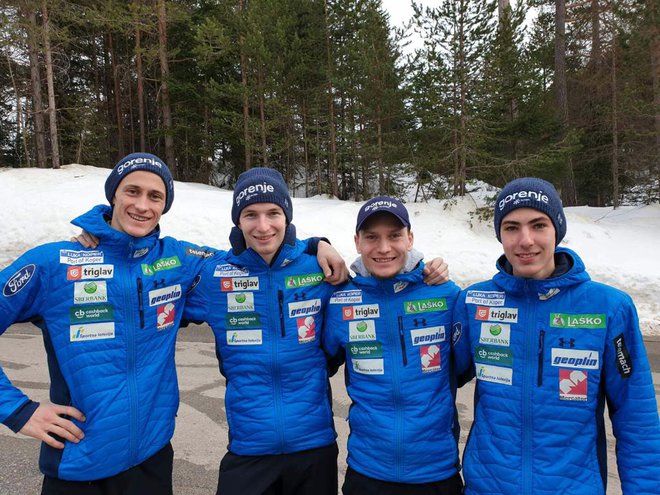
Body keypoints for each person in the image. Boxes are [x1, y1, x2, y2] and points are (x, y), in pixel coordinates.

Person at [0, 153, 347, 495]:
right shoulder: (55, 262)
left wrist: (317, 245)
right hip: (78, 461)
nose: (142, 205)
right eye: (132, 192)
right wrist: (18, 410)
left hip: (151, 460)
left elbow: (252, 260)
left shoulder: (179, 260)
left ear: (165, 205)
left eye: (155, 196)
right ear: (113, 196)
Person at [452, 177, 660, 494]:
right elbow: (430, 378)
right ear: (500, 235)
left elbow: (637, 419)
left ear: (557, 231)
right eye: (511, 227)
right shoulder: (474, 301)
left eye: (538, 225)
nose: (525, 240)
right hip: (488, 486)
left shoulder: (609, 307)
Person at [322, 196, 463, 495]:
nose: (384, 248)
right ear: (357, 242)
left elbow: (464, 368)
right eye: (372, 237)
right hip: (367, 471)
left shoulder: (447, 296)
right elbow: (317, 364)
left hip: (435, 472)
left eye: (395, 236)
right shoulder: (341, 301)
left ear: (410, 239)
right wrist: (316, 244)